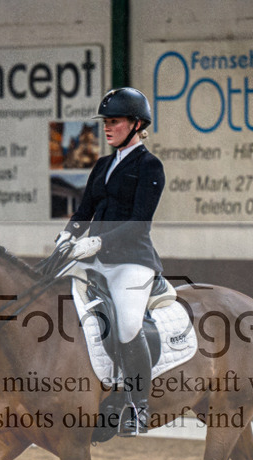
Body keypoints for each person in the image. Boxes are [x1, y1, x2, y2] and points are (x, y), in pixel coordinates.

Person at [55, 87, 165, 436]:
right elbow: (85, 210)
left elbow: (139, 223)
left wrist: (98, 240)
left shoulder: (150, 166)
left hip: (131, 261)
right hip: (94, 258)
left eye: (114, 121)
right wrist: (68, 236)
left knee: (128, 325)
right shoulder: (103, 164)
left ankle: (138, 406)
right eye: (106, 121)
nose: (107, 127)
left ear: (136, 124)